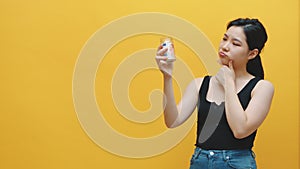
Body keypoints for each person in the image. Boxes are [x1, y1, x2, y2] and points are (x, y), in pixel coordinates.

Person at [155, 18, 274, 169]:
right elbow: (172, 121)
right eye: (224, 39)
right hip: (200, 161)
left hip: (237, 163)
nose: (225, 46)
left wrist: (228, 84)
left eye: (235, 43)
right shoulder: (200, 84)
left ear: (252, 54)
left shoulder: (262, 88)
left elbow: (240, 130)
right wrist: (167, 76)